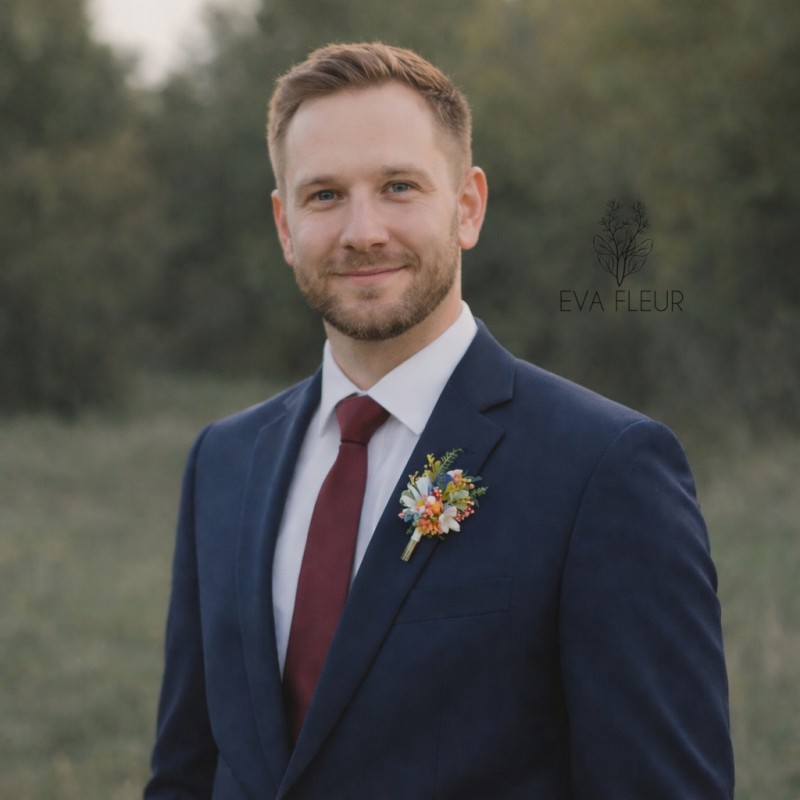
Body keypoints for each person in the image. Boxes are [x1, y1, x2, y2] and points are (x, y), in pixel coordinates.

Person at [145, 42, 734, 799]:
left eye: (398, 187)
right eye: (324, 195)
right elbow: (187, 772)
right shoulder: (223, 460)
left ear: (467, 207)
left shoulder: (604, 468)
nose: (362, 231)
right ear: (284, 225)